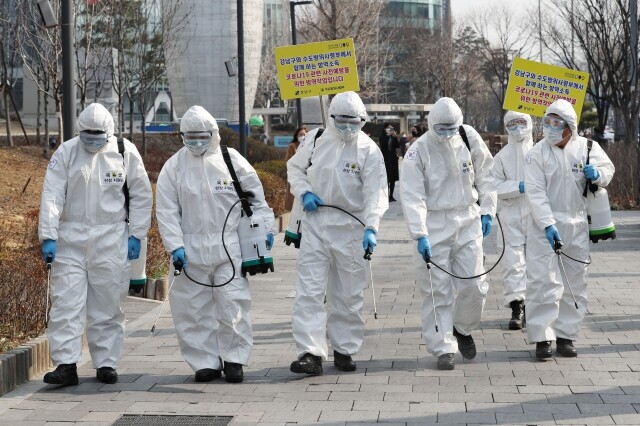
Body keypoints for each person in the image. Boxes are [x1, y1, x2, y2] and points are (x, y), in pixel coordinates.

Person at [156, 106, 275, 383]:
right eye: (190, 137)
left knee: (233, 305)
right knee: (192, 309)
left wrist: (265, 229)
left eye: (202, 136)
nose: (196, 142)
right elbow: (166, 209)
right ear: (182, 136)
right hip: (191, 248)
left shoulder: (230, 160)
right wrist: (175, 246)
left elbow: (256, 198)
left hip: (230, 247)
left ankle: (234, 359)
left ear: (214, 134)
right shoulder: (174, 167)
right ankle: (204, 361)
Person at [38, 103, 152, 386]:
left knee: (108, 304)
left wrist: (137, 233)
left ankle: (106, 363)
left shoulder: (124, 152)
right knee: (66, 302)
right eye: (87, 133)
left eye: (97, 133)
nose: (92, 138)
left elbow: (140, 193)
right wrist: (49, 235)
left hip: (111, 236)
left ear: (109, 131)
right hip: (70, 239)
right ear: (79, 131)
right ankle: (66, 364)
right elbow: (52, 195)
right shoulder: (66, 152)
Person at [287, 91, 388, 375]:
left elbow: (376, 193)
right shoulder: (315, 140)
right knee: (310, 290)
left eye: (352, 123)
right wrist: (304, 191)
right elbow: (294, 168)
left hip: (351, 228)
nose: (346, 128)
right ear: (331, 118)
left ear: (362, 121)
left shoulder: (368, 150)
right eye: (341, 122)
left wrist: (371, 227)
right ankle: (310, 353)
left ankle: (345, 348)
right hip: (317, 224)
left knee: (349, 293)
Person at [400, 97, 496, 371]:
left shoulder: (468, 137)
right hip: (434, 222)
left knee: (475, 285)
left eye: (450, 128)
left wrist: (487, 209)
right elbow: (412, 194)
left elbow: (486, 174)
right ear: (431, 125)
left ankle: (462, 327)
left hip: (467, 218)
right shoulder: (418, 152)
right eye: (440, 129)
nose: (446, 133)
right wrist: (420, 234)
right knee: (436, 289)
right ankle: (443, 347)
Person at [524, 99, 614, 360]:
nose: (549, 128)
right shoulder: (536, 154)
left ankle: (566, 335)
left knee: (575, 281)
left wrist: (597, 173)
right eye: (547, 122)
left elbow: (608, 169)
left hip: (576, 224)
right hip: (545, 227)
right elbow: (535, 193)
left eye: (556, 123)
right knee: (544, 282)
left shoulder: (587, 147)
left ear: (569, 127)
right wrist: (548, 224)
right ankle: (542, 337)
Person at [491, 111, 534, 330]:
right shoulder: (502, 157)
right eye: (513, 124)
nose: (518, 128)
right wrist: (518, 187)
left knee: (537, 263)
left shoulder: (541, 152)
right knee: (512, 263)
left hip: (537, 215)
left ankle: (535, 307)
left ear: (530, 124)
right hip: (510, 215)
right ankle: (517, 305)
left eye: (521, 123)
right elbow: (494, 185)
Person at [285, 127, 308, 211]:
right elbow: (288, 161)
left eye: (304, 134)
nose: (302, 136)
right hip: (295, 175)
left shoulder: (308, 146)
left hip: (307, 175)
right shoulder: (292, 146)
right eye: (300, 134)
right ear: (296, 135)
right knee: (294, 198)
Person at [379, 123, 400, 201]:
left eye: (391, 128)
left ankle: (391, 195)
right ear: (384, 129)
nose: (390, 129)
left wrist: (396, 137)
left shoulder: (393, 137)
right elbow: (383, 145)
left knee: (393, 178)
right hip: (386, 159)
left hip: (393, 158)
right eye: (388, 128)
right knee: (387, 177)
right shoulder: (382, 137)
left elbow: (397, 146)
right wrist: (387, 136)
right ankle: (386, 195)